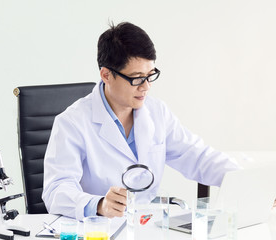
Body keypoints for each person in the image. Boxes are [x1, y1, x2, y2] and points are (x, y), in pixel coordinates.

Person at [42, 22, 239, 221]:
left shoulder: (157, 111)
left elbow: (197, 157)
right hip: (99, 229)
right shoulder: (72, 122)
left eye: (150, 75)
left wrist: (248, 181)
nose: (146, 87)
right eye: (136, 78)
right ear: (106, 75)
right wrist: (100, 204)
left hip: (147, 225)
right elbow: (56, 190)